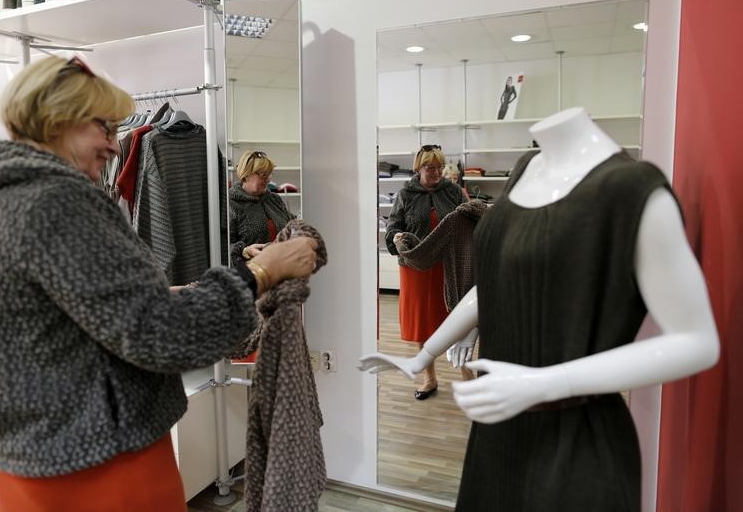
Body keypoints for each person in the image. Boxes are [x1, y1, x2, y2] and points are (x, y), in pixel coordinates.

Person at [0, 56, 318, 512]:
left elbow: (70, 318)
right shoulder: (56, 202)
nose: (115, 144)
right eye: (104, 126)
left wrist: (175, 293)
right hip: (96, 462)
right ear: (57, 120)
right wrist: (262, 273)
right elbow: (161, 336)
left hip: (33, 453)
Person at [360, 107, 719, 511]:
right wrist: (424, 353)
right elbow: (494, 282)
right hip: (498, 429)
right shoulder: (526, 170)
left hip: (574, 435)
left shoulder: (632, 189)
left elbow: (698, 341)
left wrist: (547, 383)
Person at [385, 144, 468, 400]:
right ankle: (429, 378)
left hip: (448, 267)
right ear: (418, 168)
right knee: (424, 325)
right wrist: (395, 237)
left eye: (439, 167)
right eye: (430, 167)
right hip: (417, 270)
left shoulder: (453, 191)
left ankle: (467, 376)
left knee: (458, 321)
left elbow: (467, 218)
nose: (436, 172)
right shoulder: (405, 194)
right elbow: (392, 227)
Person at [228, 150, 295, 265]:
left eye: (269, 174)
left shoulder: (274, 199)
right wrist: (244, 250)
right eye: (263, 175)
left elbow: (291, 223)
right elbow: (224, 245)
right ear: (246, 175)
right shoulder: (231, 203)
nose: (268, 179)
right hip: (250, 275)